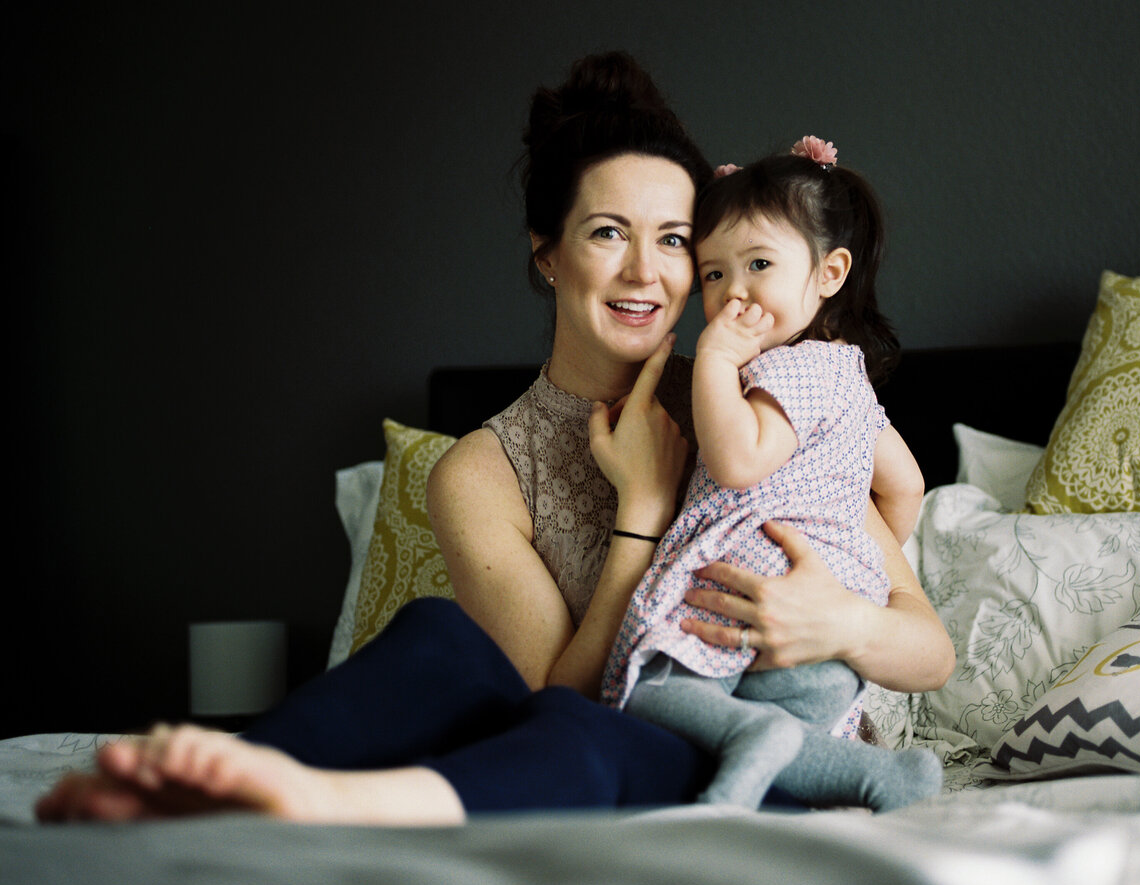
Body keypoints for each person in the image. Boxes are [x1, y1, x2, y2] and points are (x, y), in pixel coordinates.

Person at [35, 53, 954, 827]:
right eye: (607, 233)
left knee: (597, 732)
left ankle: (318, 799)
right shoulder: (482, 468)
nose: (646, 271)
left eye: (675, 240)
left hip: (755, 757)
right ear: (548, 253)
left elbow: (925, 644)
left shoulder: (765, 405)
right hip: (588, 731)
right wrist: (640, 512)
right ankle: (223, 780)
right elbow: (539, 695)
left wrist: (837, 623)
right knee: (437, 634)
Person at [601, 139, 942, 811]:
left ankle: (754, 738)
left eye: (760, 264)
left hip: (754, 587)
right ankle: (880, 777)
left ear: (829, 272)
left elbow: (736, 461)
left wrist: (715, 362)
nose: (735, 294)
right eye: (713, 275)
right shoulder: (851, 380)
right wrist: (855, 560)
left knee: (654, 692)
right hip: (829, 626)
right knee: (796, 747)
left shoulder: (781, 370)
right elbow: (906, 487)